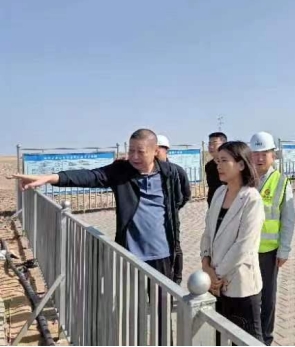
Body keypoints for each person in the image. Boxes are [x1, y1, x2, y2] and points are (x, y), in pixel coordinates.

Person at [11, 129, 183, 344]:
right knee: (133, 312)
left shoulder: (170, 173)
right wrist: (50, 178)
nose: (134, 157)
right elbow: (91, 176)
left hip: (162, 255)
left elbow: (181, 197)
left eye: (140, 152)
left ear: (155, 151)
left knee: (162, 311)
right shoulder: (121, 171)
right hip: (130, 256)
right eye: (131, 150)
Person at [200, 141, 264, 342]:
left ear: (241, 164)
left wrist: (216, 275)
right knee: (219, 337)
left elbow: (244, 245)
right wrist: (206, 265)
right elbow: (208, 232)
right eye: (217, 161)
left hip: (240, 284)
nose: (218, 165)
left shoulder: (252, 199)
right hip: (215, 282)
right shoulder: (219, 193)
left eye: (224, 161)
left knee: (247, 340)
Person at [249, 131, 295, 346]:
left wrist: (284, 249)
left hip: (268, 252)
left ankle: (265, 338)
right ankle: (249, 334)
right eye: (255, 153)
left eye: (264, 154)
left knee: (267, 297)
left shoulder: (281, 182)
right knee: (248, 295)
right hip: (245, 250)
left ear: (273, 156)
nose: (259, 158)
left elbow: (288, 219)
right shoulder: (244, 179)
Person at [156, 134, 191, 285]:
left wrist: (174, 208)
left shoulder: (177, 170)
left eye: (158, 150)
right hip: (156, 219)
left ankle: (177, 278)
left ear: (166, 150)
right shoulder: (150, 172)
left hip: (171, 217)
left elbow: (186, 194)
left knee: (175, 246)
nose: (155, 153)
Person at [205, 132, 227, 206]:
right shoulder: (208, 166)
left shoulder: (230, 164)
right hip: (213, 204)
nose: (211, 147)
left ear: (224, 144)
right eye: (209, 144)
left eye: (214, 144)